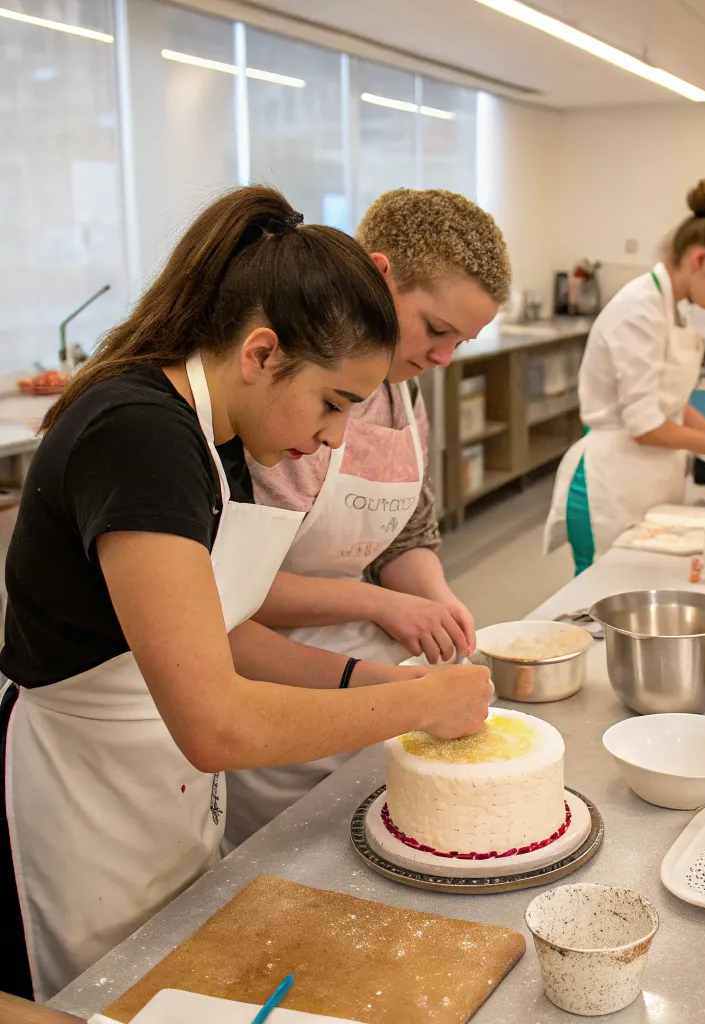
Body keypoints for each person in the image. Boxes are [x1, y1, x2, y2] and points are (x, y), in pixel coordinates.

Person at [0, 186, 492, 1000]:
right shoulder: (139, 435)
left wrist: (387, 681)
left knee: (168, 982)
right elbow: (216, 721)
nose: (336, 436)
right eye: (334, 404)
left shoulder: (217, 437)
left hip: (163, 776)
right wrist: (418, 708)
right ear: (261, 354)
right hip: (87, 788)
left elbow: (227, 636)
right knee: (105, 993)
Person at [223, 189, 511, 849]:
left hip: (373, 678)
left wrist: (434, 601)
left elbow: (405, 533)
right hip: (270, 677)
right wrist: (381, 606)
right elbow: (221, 591)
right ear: (379, 278)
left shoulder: (405, 393)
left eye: (459, 343)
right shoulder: (272, 391)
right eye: (436, 330)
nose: (443, 358)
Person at [544, 180, 705, 574]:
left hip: (648, 480)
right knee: (602, 606)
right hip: (611, 484)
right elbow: (645, 425)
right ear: (699, 260)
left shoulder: (671, 307)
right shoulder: (639, 310)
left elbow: (672, 407)